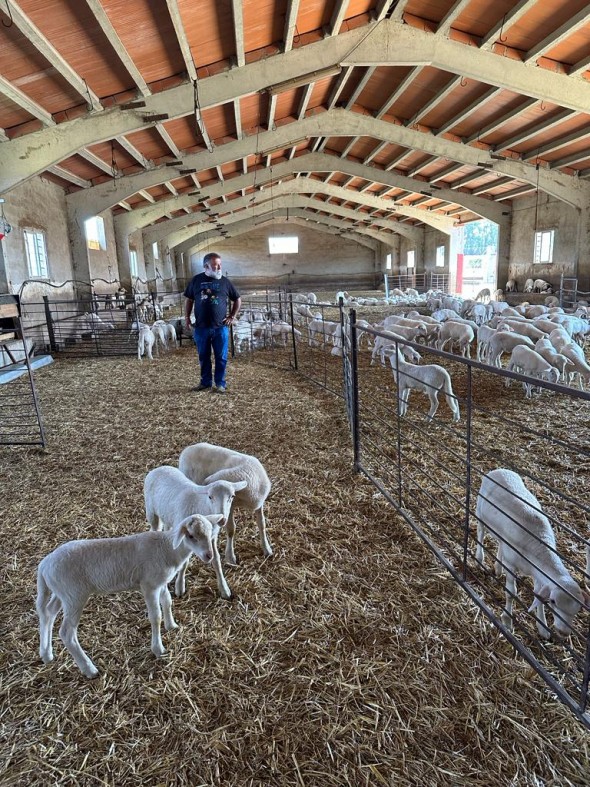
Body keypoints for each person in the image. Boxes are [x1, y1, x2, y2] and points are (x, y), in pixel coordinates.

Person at [184, 253, 241, 393]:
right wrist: (187, 317)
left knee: (221, 357)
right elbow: (189, 299)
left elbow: (237, 299)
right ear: (206, 266)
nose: (219, 267)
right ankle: (205, 382)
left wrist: (232, 316)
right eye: (216, 265)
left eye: (220, 264)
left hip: (220, 328)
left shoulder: (225, 282)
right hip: (201, 327)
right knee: (203, 356)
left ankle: (220, 383)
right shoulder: (196, 280)